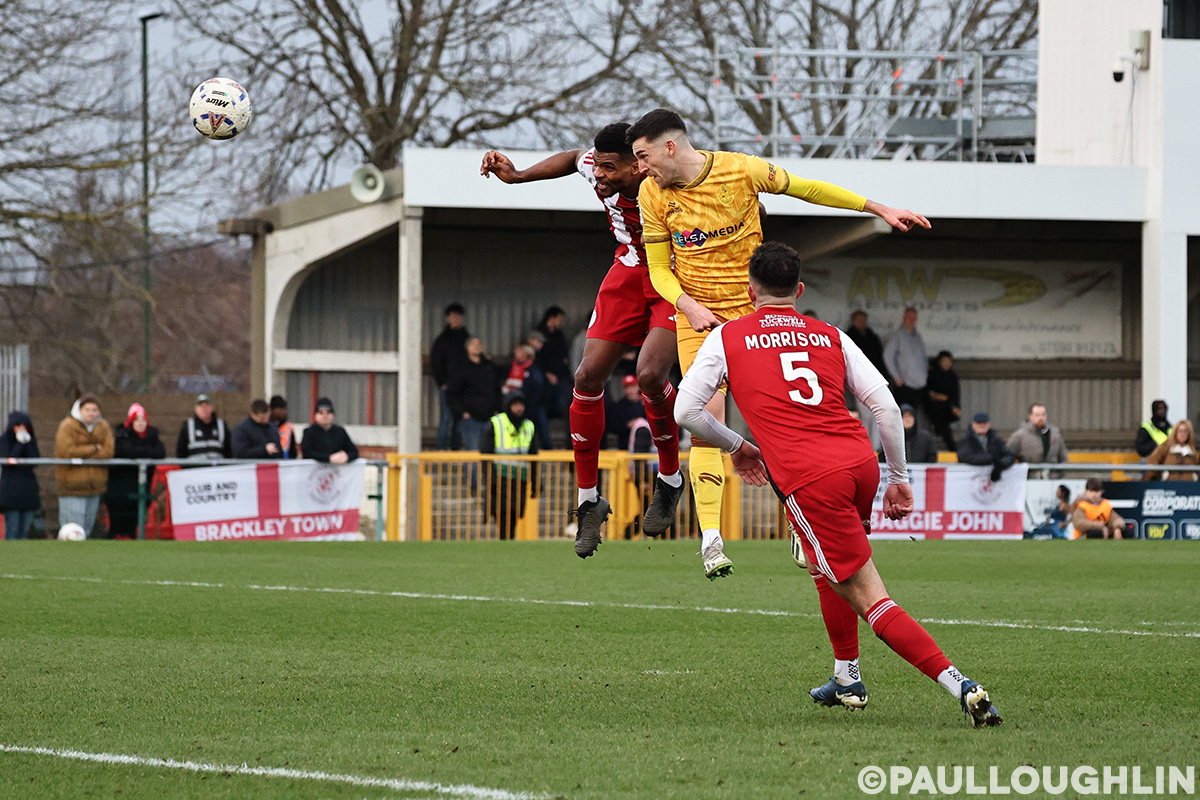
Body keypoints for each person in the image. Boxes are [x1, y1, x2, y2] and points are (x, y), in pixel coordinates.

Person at [672, 241, 1000, 726]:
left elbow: (686, 411)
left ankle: (962, 686)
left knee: (868, 594)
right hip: (859, 464)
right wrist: (899, 477)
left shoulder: (727, 336)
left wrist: (737, 446)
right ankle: (847, 678)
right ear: (800, 290)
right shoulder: (831, 334)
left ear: (750, 290)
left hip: (811, 479)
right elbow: (886, 408)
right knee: (823, 566)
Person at [627, 107, 929, 577]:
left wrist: (878, 209)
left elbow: (810, 188)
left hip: (756, 314)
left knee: (783, 419)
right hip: (697, 317)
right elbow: (659, 270)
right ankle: (711, 540)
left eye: (643, 156)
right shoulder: (650, 193)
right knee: (702, 419)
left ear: (670, 146)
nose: (640, 168)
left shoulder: (740, 170)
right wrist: (687, 305)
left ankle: (799, 517)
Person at [481, 123, 686, 559]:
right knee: (587, 377)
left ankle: (669, 479)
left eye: (610, 168)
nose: (599, 175)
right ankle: (589, 500)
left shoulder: (666, 180)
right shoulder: (597, 164)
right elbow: (574, 157)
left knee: (650, 375)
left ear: (638, 166)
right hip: (628, 269)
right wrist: (517, 177)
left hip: (673, 276)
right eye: (599, 166)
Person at [480, 391, 540, 540]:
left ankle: (508, 539)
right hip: (500, 476)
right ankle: (505, 539)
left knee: (516, 511)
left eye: (521, 405)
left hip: (520, 477)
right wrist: (490, 478)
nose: (519, 408)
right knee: (501, 511)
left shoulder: (529, 425)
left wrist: (535, 481)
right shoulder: (496, 423)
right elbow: (485, 453)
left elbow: (533, 456)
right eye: (515, 405)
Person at [54, 394, 115, 538]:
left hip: (95, 486)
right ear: (79, 410)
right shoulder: (67, 425)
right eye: (87, 409)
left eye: (94, 410)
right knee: (72, 530)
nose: (91, 413)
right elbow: (67, 451)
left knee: (86, 530)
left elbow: (108, 452)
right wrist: (94, 448)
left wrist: (83, 454)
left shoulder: (103, 426)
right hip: (72, 487)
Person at [104, 403, 166, 539]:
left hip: (143, 485)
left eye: (143, 420)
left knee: (137, 515)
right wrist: (146, 452)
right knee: (118, 516)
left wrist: (139, 453)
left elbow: (160, 453)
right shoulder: (122, 435)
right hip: (120, 485)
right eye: (136, 420)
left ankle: (133, 536)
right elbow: (125, 451)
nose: (140, 423)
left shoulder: (153, 436)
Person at [445, 337, 501, 454]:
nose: (476, 346)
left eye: (478, 344)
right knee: (473, 452)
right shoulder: (460, 368)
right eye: (473, 344)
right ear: (467, 348)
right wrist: (462, 412)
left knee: (490, 452)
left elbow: (497, 389)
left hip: (490, 416)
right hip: (471, 418)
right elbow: (451, 393)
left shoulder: (489, 366)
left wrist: (497, 409)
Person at [430, 303, 470, 450]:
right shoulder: (442, 340)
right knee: (446, 419)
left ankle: (456, 450)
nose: (455, 319)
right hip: (448, 386)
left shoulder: (467, 338)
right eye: (453, 316)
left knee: (460, 419)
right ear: (448, 318)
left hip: (464, 386)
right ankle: (441, 449)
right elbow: (436, 362)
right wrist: (442, 382)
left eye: (458, 316)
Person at [0, 411, 40, 539]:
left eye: (25, 425)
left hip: (28, 489)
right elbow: (9, 461)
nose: (22, 428)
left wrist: (27, 442)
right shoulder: (4, 440)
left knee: (25, 530)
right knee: (13, 528)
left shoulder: (31, 441)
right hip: (11, 491)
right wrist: (20, 443)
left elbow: (34, 460)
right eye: (18, 425)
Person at [883, 307, 928, 412]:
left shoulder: (918, 337)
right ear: (904, 318)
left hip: (919, 383)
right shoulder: (897, 336)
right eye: (909, 317)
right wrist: (896, 376)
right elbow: (887, 356)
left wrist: (924, 376)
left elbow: (923, 358)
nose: (912, 320)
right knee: (903, 414)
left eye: (914, 318)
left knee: (914, 414)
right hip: (904, 383)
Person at [956, 412, 1017, 483]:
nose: (982, 425)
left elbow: (1010, 455)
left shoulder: (996, 440)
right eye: (979, 423)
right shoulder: (965, 440)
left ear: (989, 425)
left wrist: (1000, 466)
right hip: (969, 481)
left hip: (994, 483)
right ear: (973, 425)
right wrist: (993, 460)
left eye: (984, 423)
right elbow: (966, 457)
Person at [535, 306, 572, 421]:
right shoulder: (540, 334)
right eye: (560, 319)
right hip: (545, 376)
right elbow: (537, 358)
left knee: (562, 403)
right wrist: (546, 373)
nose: (561, 322)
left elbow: (564, 352)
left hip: (560, 374)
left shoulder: (559, 335)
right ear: (551, 318)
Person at [301, 397, 359, 464]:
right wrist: (329, 458)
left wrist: (346, 457)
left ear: (333, 415)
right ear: (315, 415)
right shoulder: (309, 432)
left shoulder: (340, 432)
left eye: (328, 413)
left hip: (337, 469)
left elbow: (354, 452)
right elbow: (307, 453)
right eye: (321, 413)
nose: (325, 416)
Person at [924, 350, 961, 452]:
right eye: (944, 361)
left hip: (947, 407)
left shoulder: (952, 376)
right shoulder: (932, 374)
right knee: (943, 422)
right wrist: (937, 396)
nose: (947, 364)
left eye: (949, 361)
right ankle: (952, 448)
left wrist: (956, 406)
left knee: (944, 422)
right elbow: (927, 392)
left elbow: (955, 394)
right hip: (934, 406)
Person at [176, 394, 232, 461]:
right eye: (201, 406)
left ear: (212, 408)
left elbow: (229, 451)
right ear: (196, 409)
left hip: (217, 467)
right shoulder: (187, 426)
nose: (204, 409)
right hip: (195, 467)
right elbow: (181, 452)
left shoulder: (222, 426)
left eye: (206, 406)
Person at [607, 374, 648, 450]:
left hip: (646, 448)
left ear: (638, 387)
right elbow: (612, 427)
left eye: (633, 387)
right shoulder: (619, 406)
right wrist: (627, 426)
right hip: (625, 448)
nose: (630, 391)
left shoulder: (645, 404)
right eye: (627, 387)